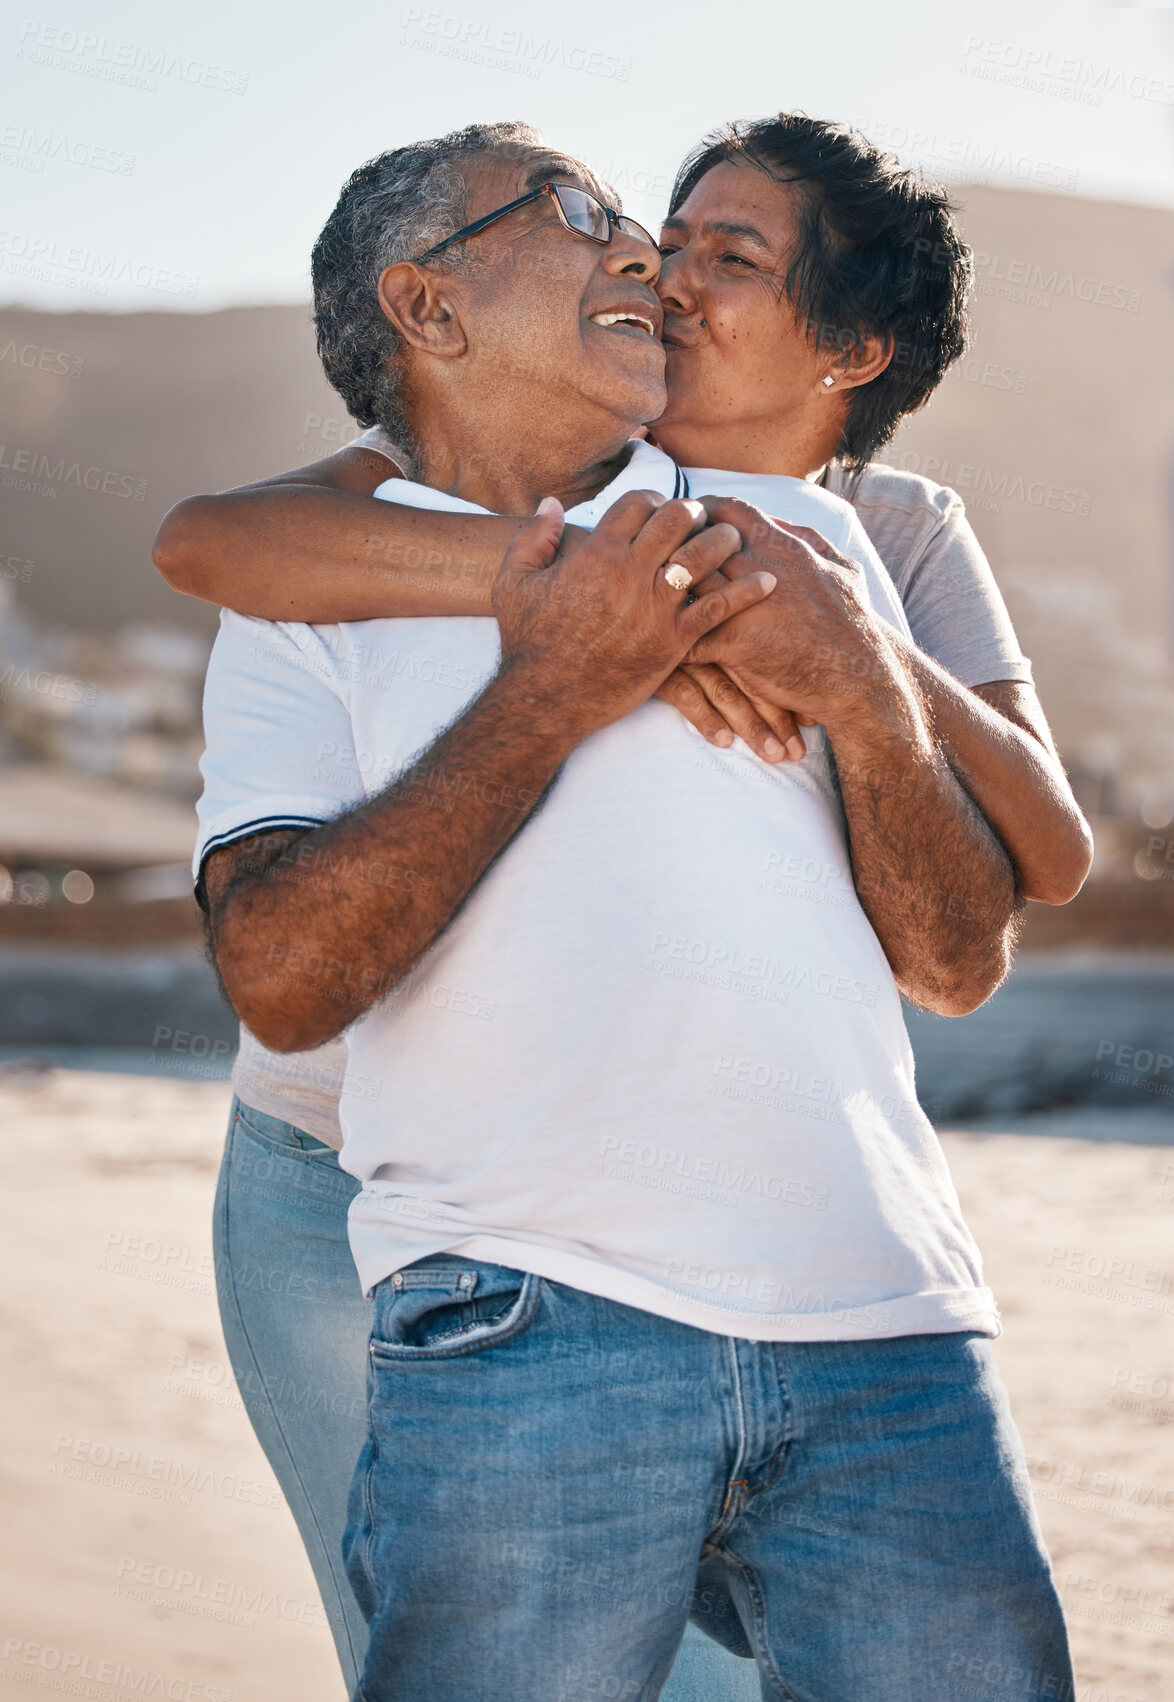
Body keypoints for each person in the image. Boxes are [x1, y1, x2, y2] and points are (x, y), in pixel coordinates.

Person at [163, 119, 1083, 1701]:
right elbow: (207, 549)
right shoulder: (336, 563)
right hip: (414, 1226)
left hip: (863, 1302)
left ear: (849, 351)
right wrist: (579, 620)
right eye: (597, 216)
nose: (652, 260)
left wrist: (852, 663)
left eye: (724, 255)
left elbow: (1008, 895)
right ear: (431, 312)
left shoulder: (865, 535)